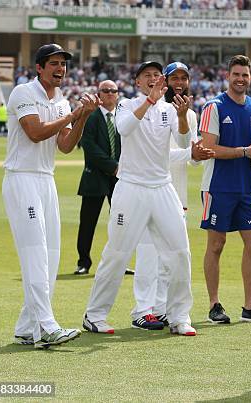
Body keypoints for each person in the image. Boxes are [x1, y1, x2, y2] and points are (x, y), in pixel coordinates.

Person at [83, 61, 196, 336]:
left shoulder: (170, 110)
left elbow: (183, 144)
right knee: (118, 253)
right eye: (147, 76)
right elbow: (123, 129)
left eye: (157, 76)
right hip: (131, 186)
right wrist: (149, 100)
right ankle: (94, 315)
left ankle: (179, 316)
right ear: (137, 82)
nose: (154, 79)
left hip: (162, 187)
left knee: (180, 252)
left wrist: (182, 116)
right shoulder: (128, 105)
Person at [3, 43, 99, 348]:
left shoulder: (61, 100)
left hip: (46, 180)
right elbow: (35, 132)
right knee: (35, 254)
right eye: (55, 63)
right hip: (22, 178)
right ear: (40, 68)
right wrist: (73, 113)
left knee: (52, 255)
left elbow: (66, 145)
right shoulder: (23, 93)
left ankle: (26, 326)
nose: (61, 69)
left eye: (64, 64)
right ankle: (46, 326)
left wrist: (82, 117)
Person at [199, 55, 251, 325]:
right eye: (236, 74)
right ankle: (214, 305)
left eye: (245, 75)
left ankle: (250, 306)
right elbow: (209, 148)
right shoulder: (214, 107)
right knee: (216, 244)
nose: (240, 79)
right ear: (228, 76)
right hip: (217, 186)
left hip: (245, 187)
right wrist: (247, 151)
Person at [131, 62, 214, 329]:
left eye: (184, 78)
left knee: (172, 257)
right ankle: (142, 311)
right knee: (148, 256)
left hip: (176, 195)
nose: (179, 83)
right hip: (148, 190)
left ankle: (162, 308)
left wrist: (197, 154)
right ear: (164, 81)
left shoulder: (188, 114)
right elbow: (157, 158)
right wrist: (191, 153)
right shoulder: (151, 110)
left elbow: (193, 160)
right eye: (174, 78)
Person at [74, 80, 123, 276]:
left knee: (120, 223)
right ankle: (83, 262)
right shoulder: (91, 117)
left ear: (117, 94)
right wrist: (114, 167)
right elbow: (89, 147)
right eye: (106, 91)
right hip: (95, 177)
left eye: (113, 91)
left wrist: (120, 169)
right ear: (99, 94)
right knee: (88, 222)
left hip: (119, 179)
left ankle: (119, 262)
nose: (110, 94)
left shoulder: (123, 117)